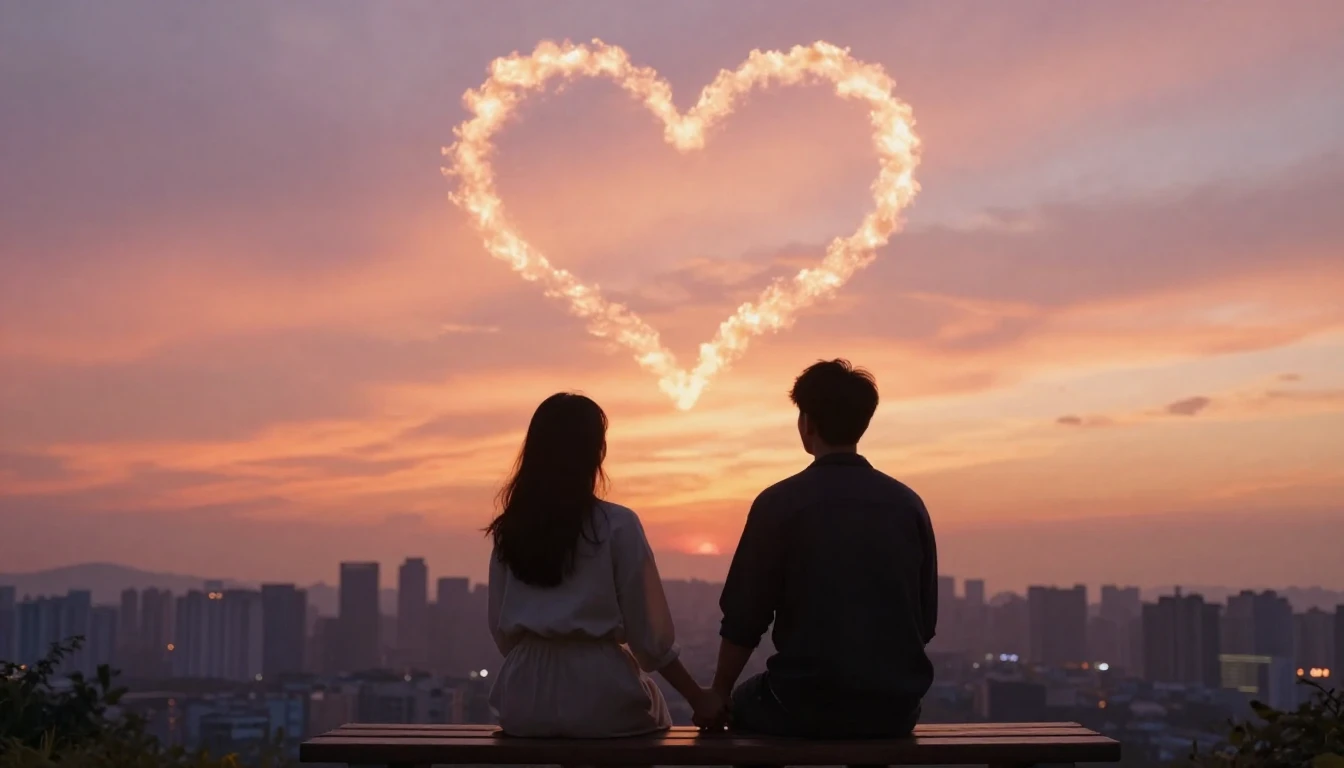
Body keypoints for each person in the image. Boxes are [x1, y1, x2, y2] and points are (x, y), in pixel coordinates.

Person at [709, 359, 938, 738]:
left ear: (807, 423)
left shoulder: (779, 503)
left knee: (745, 710)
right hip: (894, 709)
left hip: (800, 702)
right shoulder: (907, 505)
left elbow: (744, 617)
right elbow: (925, 622)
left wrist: (718, 692)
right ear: (864, 422)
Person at [485, 392, 726, 737]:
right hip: (597, 691)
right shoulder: (617, 525)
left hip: (524, 697)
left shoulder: (511, 529)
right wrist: (697, 698)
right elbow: (649, 638)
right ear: (596, 453)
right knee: (651, 716)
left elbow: (500, 629)